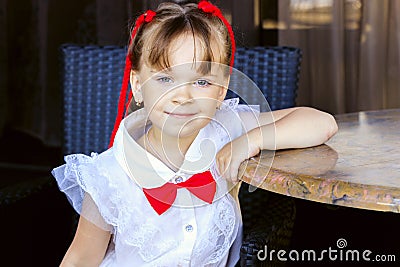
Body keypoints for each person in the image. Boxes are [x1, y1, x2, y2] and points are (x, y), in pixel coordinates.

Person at [52, 1, 338, 266]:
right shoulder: (109, 175)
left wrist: (249, 142)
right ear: (137, 85)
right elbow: (80, 259)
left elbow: (321, 123)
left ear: (222, 88)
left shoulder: (226, 130)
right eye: (165, 79)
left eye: (201, 81)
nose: (183, 96)